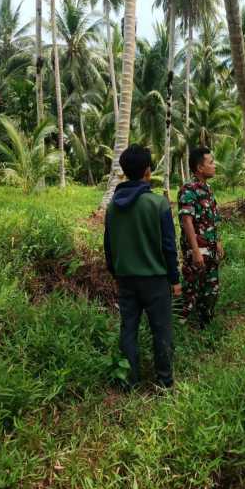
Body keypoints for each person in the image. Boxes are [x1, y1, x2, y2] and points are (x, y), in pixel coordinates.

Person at [104, 144, 182, 389]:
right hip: (155, 279)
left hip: (125, 277)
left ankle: (128, 380)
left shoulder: (112, 207)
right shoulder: (158, 204)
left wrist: (115, 272)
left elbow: (109, 244)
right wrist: (174, 279)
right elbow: (169, 246)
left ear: (124, 172)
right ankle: (164, 382)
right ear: (148, 172)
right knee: (161, 330)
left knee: (128, 329)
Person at [177, 147, 224, 330]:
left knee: (211, 288)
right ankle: (181, 326)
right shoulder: (188, 190)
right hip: (197, 251)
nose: (214, 166)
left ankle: (206, 323)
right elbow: (187, 221)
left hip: (211, 250)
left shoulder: (208, 190)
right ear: (199, 167)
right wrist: (195, 250)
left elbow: (213, 219)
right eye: (210, 162)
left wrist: (218, 241)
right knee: (191, 289)